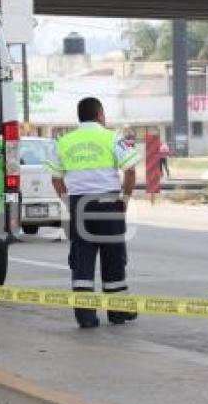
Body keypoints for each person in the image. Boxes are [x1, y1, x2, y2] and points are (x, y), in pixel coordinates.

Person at [46, 97, 140, 329]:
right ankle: (117, 313)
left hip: (80, 205)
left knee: (82, 260)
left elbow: (56, 178)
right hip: (108, 204)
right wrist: (125, 198)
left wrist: (69, 201)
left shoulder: (64, 141)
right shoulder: (111, 138)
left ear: (80, 116)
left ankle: (85, 317)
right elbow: (130, 170)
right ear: (100, 115)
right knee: (114, 258)